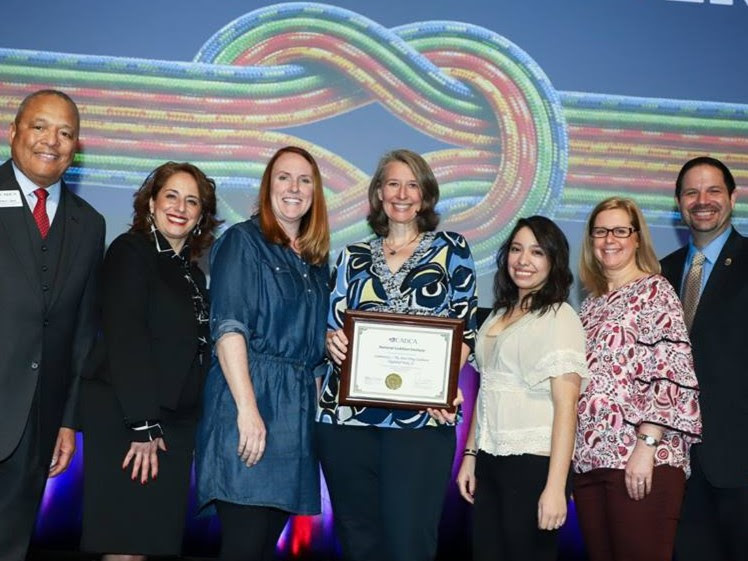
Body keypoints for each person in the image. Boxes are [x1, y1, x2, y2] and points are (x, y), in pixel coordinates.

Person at [318, 149, 478, 561]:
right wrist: (330, 341)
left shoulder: (452, 249)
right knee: (359, 542)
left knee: (409, 542)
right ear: (377, 195)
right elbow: (333, 324)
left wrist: (443, 388)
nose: (402, 194)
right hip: (346, 419)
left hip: (422, 420)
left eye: (412, 185)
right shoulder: (351, 256)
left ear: (425, 196)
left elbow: (466, 330)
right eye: (392, 183)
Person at [196, 146, 330, 561]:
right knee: (244, 544)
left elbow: (310, 345)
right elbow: (228, 329)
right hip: (250, 402)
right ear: (267, 187)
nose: (294, 188)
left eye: (304, 180)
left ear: (315, 192)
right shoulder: (242, 241)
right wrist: (247, 410)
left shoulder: (315, 260)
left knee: (261, 545)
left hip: (295, 415)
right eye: (283, 178)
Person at [80, 162, 220, 559]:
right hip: (131, 419)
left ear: (200, 216)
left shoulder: (192, 273)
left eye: (192, 201)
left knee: (148, 543)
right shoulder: (131, 251)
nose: (180, 206)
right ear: (152, 203)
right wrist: (143, 425)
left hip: (173, 423)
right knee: (126, 544)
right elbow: (127, 338)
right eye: (171, 196)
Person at [0, 89, 105, 561]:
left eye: (66, 132)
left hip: (38, 424)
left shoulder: (91, 223)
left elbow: (83, 331)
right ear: (14, 132)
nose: (52, 140)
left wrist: (67, 421)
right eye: (40, 126)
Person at [573, 196, 702, 561]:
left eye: (619, 230)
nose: (608, 239)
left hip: (641, 460)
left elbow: (671, 371)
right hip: (592, 461)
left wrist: (645, 446)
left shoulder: (655, 290)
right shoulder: (591, 304)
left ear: (637, 238)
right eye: (600, 231)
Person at [456, 216, 588, 561]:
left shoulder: (559, 316)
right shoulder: (499, 313)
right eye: (516, 249)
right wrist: (470, 456)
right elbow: (487, 392)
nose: (523, 260)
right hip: (490, 460)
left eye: (536, 252)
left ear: (553, 260)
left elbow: (566, 408)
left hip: (534, 466)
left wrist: (557, 487)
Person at [660, 156, 748, 561]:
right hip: (677, 465)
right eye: (691, 192)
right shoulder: (661, 273)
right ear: (679, 204)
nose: (702, 200)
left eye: (713, 190)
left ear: (732, 197)